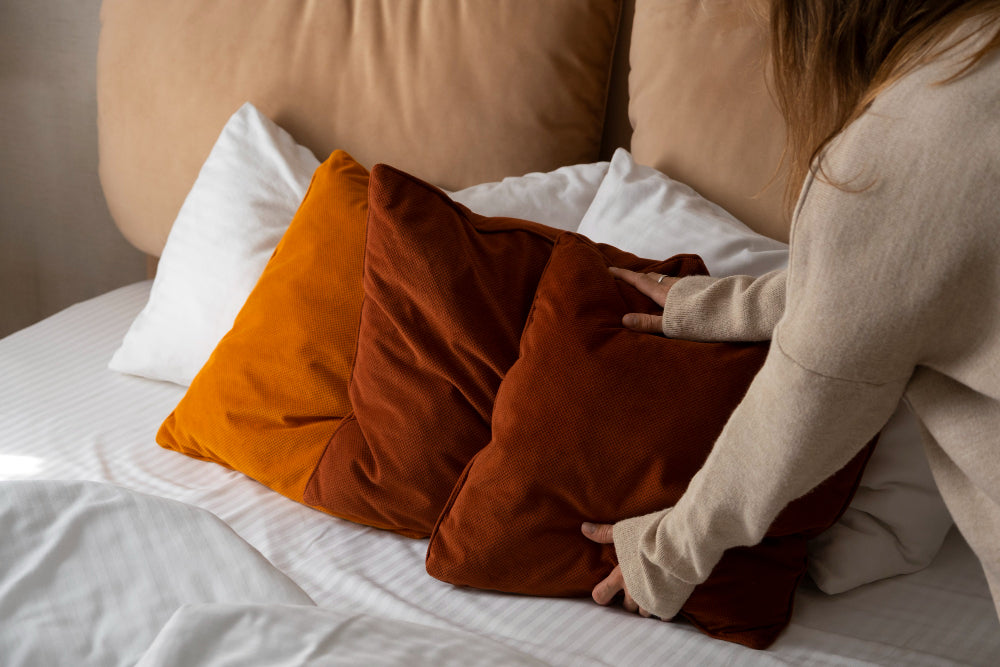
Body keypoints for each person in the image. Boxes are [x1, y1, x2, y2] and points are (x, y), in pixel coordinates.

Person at [581, 0, 1000, 623]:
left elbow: (806, 399)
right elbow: (912, 277)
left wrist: (668, 555)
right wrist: (721, 304)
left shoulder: (893, 150)